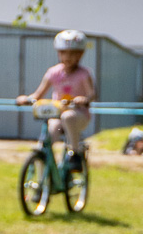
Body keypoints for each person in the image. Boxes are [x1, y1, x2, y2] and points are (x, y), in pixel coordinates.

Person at [16, 30, 96, 158]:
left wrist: (84, 99)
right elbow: (38, 94)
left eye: (72, 53)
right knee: (53, 127)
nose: (67, 57)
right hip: (58, 116)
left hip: (78, 116)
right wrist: (26, 99)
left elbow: (92, 94)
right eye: (63, 52)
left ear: (80, 54)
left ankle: (75, 153)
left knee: (68, 117)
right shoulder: (53, 72)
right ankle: (43, 159)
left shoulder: (84, 74)